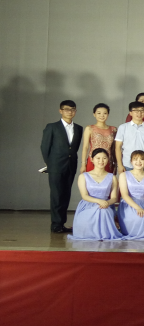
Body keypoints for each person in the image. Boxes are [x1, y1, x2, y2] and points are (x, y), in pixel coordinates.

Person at [41, 100, 84, 233]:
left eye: (72, 109)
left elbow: (74, 148)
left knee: (66, 194)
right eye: (66, 109)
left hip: (71, 165)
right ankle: (55, 224)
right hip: (56, 166)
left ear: (75, 111)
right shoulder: (52, 127)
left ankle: (61, 223)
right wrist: (50, 164)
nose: (70, 112)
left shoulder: (79, 128)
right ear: (60, 111)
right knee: (56, 195)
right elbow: (45, 147)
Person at [69, 148, 121, 240]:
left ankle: (103, 235)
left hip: (106, 205)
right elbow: (84, 196)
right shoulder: (83, 176)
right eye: (98, 158)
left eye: (104, 158)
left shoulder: (112, 177)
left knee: (103, 211)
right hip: (88, 204)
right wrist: (99, 201)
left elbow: (114, 198)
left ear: (108, 160)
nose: (101, 161)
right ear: (92, 159)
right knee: (101, 211)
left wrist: (107, 203)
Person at [117, 150, 144, 240]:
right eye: (135, 159)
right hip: (128, 204)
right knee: (137, 218)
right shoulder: (124, 175)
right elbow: (124, 195)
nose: (138, 162)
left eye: (142, 159)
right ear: (131, 161)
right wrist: (137, 208)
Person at [115, 101, 144, 174]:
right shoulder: (123, 127)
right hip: (127, 165)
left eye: (142, 111)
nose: (139, 113)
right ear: (130, 113)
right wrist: (120, 165)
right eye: (136, 111)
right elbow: (118, 147)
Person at [80, 103, 117, 174]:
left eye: (105, 113)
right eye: (99, 113)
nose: (102, 115)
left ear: (108, 115)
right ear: (94, 114)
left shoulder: (113, 129)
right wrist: (83, 164)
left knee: (107, 180)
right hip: (93, 161)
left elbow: (114, 149)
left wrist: (115, 164)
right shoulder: (89, 128)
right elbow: (85, 147)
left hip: (107, 161)